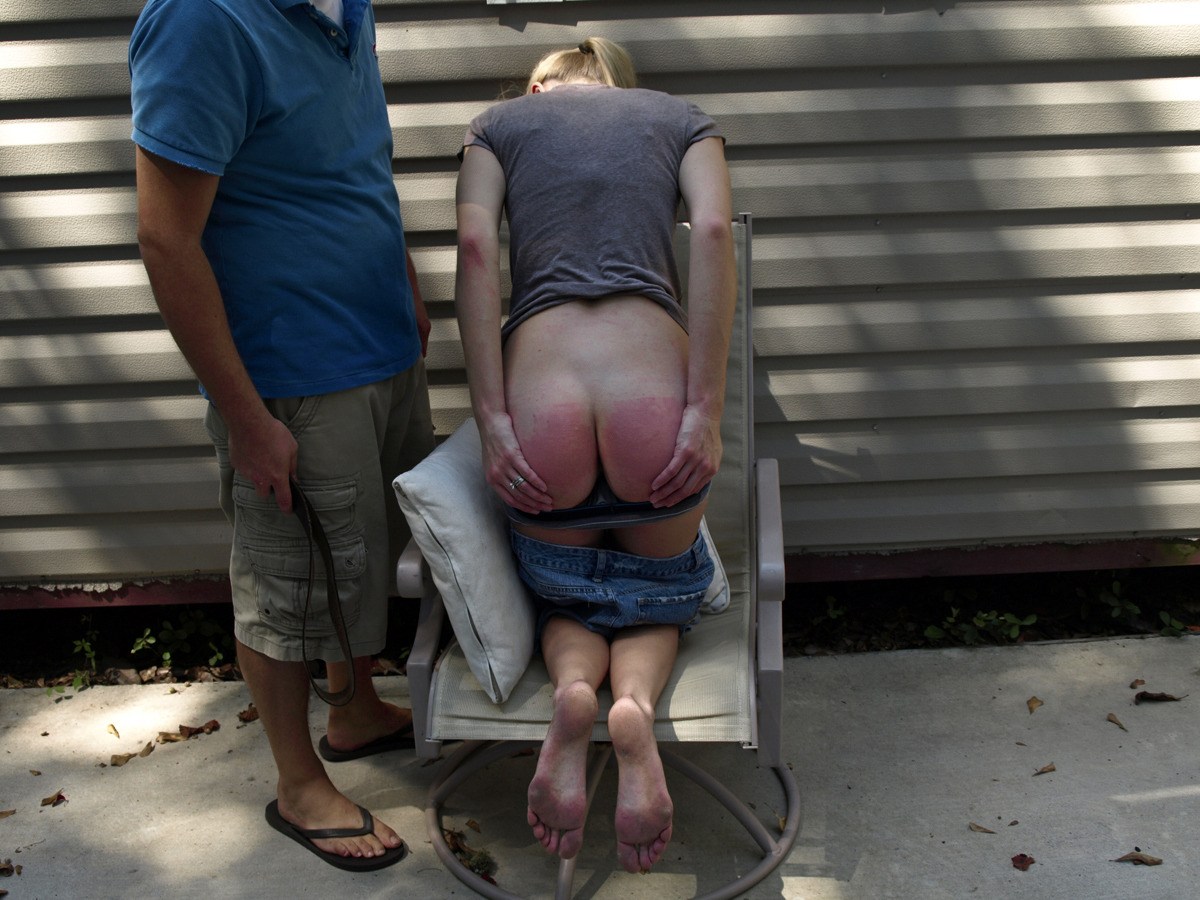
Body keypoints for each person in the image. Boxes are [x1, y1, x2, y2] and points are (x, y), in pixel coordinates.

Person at [129, 0, 434, 872]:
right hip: (290, 375)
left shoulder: (345, 9)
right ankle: (299, 785)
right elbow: (166, 238)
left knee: (359, 559)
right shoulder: (203, 20)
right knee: (289, 583)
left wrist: (406, 285)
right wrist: (247, 419)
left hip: (378, 345)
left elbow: (356, 162)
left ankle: (354, 711)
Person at [454, 37, 736, 873]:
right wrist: (705, 410)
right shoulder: (682, 119)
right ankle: (634, 706)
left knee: (566, 597)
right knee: (655, 600)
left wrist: (493, 420)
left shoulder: (498, 125)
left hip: (543, 402)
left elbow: (475, 252)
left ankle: (575, 693)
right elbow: (712, 232)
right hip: (654, 395)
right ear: (617, 85)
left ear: (541, 86)